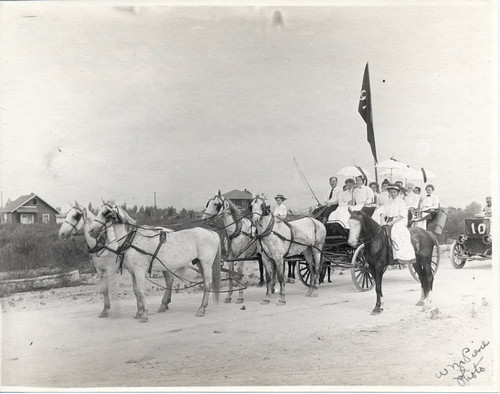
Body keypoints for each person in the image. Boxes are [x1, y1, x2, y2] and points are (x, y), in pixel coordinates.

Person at [379, 184, 416, 263]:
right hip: (388, 220)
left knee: (396, 234)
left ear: (397, 193)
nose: (392, 194)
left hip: (398, 221)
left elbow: (402, 215)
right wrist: (382, 220)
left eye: (394, 192)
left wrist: (391, 223)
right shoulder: (387, 202)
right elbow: (383, 212)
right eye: (391, 192)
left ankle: (399, 256)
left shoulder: (401, 202)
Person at [274, 194, 294, 282]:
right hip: (275, 223)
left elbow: (282, 217)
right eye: (277, 200)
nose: (278, 201)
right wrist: (276, 215)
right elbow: (274, 215)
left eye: (279, 200)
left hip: (281, 223)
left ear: (282, 200)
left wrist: (277, 216)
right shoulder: (276, 208)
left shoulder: (283, 207)